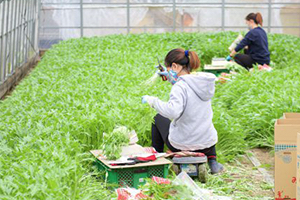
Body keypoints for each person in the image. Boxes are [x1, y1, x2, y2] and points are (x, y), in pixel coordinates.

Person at [142, 49, 223, 174]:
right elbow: (186, 86)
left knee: (157, 118)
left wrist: (152, 101)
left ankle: (157, 160)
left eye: (169, 70)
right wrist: (172, 80)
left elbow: (172, 112)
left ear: (175, 66)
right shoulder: (202, 84)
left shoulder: (179, 87)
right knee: (203, 122)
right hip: (207, 144)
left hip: (183, 145)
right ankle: (213, 161)